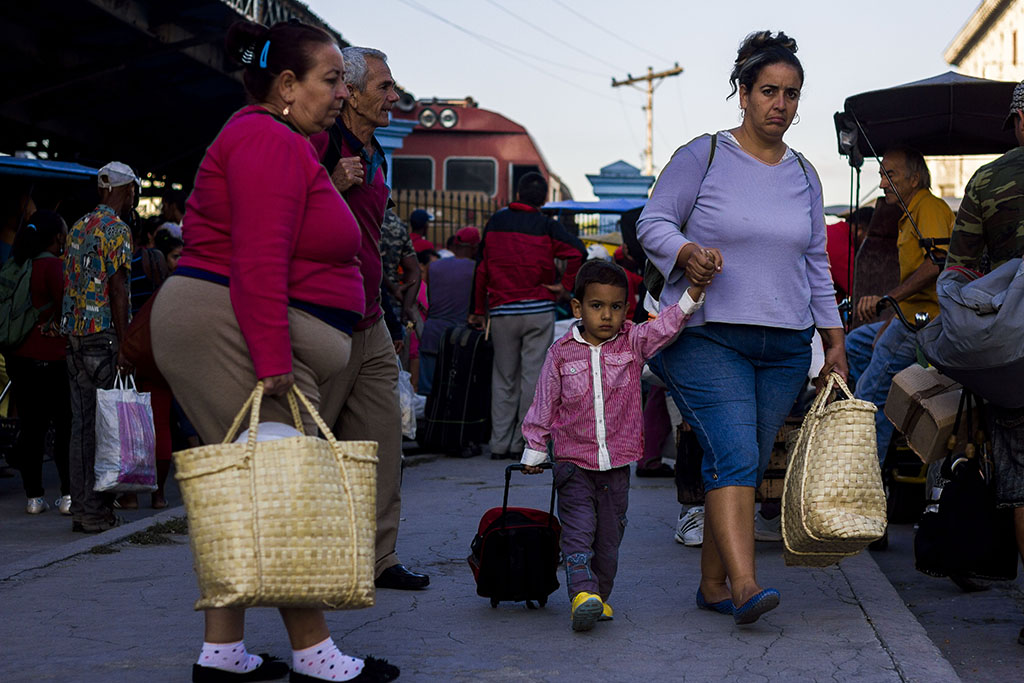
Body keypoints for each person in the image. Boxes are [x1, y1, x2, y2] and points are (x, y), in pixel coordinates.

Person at [149, 20, 398, 682]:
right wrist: (274, 363)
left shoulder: (276, 139)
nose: (343, 92)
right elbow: (258, 259)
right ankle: (316, 655)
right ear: (287, 85)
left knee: (252, 486)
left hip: (225, 320)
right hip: (229, 325)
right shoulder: (267, 138)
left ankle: (223, 652)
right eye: (331, 79)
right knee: (284, 488)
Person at [637, 30, 847, 625]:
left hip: (783, 346)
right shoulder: (703, 155)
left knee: (745, 465)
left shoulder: (805, 175)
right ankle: (747, 584)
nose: (780, 104)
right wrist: (684, 252)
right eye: (768, 92)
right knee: (733, 454)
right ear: (744, 94)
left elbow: (815, 262)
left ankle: (711, 585)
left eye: (791, 94)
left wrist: (833, 342)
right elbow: (652, 221)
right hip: (706, 336)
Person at [520, 259, 707, 631]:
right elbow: (544, 403)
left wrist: (693, 295)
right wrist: (535, 448)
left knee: (609, 538)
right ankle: (582, 592)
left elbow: (666, 327)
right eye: (596, 306)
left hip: (617, 464)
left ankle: (598, 597)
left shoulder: (633, 341)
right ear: (577, 308)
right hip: (572, 463)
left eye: (616, 307)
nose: (607, 315)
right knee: (578, 531)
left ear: (626, 308)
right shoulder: (560, 354)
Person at [314, 45, 429, 592]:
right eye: (384, 86)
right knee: (317, 448)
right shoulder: (318, 146)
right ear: (351, 92)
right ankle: (317, 557)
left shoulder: (377, 151)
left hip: (370, 318)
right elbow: (281, 219)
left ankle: (380, 559)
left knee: (384, 446)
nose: (394, 95)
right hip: (325, 322)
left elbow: (372, 235)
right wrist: (330, 186)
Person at [944, 80, 1024, 646]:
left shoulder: (990, 179)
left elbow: (960, 274)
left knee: (1020, 482)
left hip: (1014, 359)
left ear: (1019, 122)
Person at [845, 146, 953, 462]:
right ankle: (894, 413)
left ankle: (867, 477)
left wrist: (890, 298)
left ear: (914, 178)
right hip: (905, 318)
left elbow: (938, 262)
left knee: (867, 396)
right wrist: (892, 314)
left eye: (889, 175)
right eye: (881, 175)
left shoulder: (928, 207)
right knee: (856, 343)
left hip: (923, 323)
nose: (881, 184)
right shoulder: (908, 215)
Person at [468, 172, 587, 460]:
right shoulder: (547, 225)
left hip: (503, 311)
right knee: (533, 378)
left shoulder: (496, 221)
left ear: (517, 194)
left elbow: (482, 269)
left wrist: (477, 311)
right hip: (538, 310)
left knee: (504, 377)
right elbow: (577, 251)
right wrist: (565, 287)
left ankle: (499, 443)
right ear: (544, 198)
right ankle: (526, 443)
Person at [61, 161, 137, 534]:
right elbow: (118, 288)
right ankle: (96, 512)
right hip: (103, 336)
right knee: (106, 427)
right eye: (133, 191)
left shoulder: (77, 227)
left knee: (81, 427)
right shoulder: (116, 229)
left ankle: (81, 509)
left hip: (75, 337)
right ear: (124, 190)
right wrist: (125, 344)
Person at [5, 210, 72, 515]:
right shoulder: (53, 267)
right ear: (58, 237)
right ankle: (68, 495)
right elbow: (66, 310)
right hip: (53, 358)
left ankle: (34, 498)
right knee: (63, 426)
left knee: (31, 427)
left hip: (20, 357)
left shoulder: (17, 264)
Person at [418, 226, 479, 397]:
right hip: (460, 338)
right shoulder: (476, 269)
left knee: (427, 394)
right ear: (474, 247)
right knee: (455, 394)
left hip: (432, 334)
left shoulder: (433, 267)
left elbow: (431, 297)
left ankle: (426, 424)